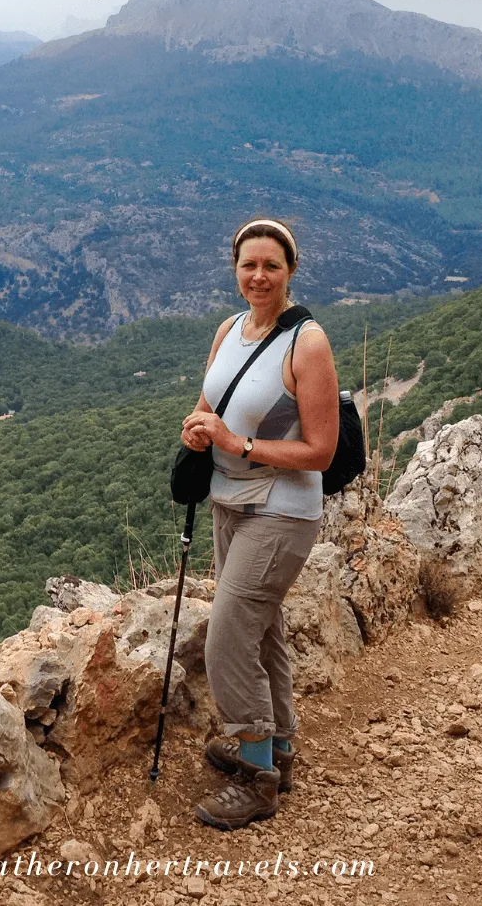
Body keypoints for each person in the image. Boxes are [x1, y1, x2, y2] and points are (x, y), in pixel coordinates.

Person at [181, 218, 339, 831]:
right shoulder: (229, 330)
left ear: (290, 271)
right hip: (229, 502)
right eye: (249, 265)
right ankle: (279, 748)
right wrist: (197, 429)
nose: (259, 276)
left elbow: (320, 451)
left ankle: (257, 778)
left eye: (271, 265)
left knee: (225, 638)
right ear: (235, 269)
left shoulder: (307, 344)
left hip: (282, 509)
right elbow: (209, 404)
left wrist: (238, 443)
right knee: (260, 630)